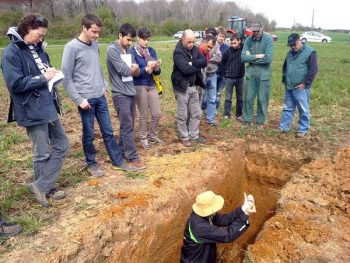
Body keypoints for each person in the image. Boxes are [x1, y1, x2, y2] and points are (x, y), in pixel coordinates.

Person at [1, 14, 69, 207]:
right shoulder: (11, 53)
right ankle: (45, 188)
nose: (41, 39)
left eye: (43, 36)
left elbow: (43, 71)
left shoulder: (38, 49)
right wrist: (43, 78)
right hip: (30, 109)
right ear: (28, 28)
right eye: (39, 35)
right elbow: (15, 84)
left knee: (62, 144)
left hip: (48, 106)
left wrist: (52, 73)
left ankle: (43, 185)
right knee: (42, 152)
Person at [62, 14, 136, 176]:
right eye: (94, 32)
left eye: (98, 32)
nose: (96, 35)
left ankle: (118, 161)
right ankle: (91, 163)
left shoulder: (95, 45)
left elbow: (97, 67)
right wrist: (79, 100)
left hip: (100, 97)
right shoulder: (71, 48)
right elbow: (66, 78)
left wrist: (103, 85)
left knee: (108, 132)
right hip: (86, 100)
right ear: (84, 28)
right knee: (89, 134)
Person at [106, 23, 146, 169]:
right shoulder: (112, 50)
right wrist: (133, 69)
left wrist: (133, 69)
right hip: (120, 93)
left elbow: (136, 70)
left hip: (130, 91)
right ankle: (132, 156)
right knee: (127, 125)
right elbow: (124, 70)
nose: (130, 43)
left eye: (131, 40)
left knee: (127, 125)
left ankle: (121, 152)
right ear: (120, 35)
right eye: (128, 39)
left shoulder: (128, 49)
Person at [180, 191, 256, 262]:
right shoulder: (199, 226)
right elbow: (229, 235)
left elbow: (224, 220)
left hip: (205, 257)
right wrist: (245, 215)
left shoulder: (203, 214)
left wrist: (243, 209)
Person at [171, 29, 207, 147]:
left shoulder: (195, 49)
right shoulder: (178, 52)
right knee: (183, 114)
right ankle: (184, 136)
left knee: (196, 112)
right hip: (182, 86)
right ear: (182, 40)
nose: (191, 44)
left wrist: (192, 63)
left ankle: (194, 135)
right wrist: (196, 65)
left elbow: (204, 61)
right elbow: (185, 69)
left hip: (194, 85)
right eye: (189, 42)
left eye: (193, 41)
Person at [278, 33, 318, 137]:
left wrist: (305, 83)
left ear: (299, 41)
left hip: (301, 87)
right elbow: (285, 67)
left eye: (294, 44)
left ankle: (302, 129)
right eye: (290, 45)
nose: (292, 47)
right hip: (289, 86)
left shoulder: (310, 52)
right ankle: (284, 128)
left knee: (303, 109)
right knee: (288, 108)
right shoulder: (290, 53)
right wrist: (284, 79)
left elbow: (313, 70)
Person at [131, 28, 164, 149]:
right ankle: (143, 138)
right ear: (138, 38)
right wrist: (145, 67)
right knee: (143, 113)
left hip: (151, 84)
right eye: (144, 39)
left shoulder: (151, 51)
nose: (146, 42)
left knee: (156, 113)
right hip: (139, 84)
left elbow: (157, 72)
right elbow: (133, 72)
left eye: (148, 40)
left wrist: (156, 67)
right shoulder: (133, 52)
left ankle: (153, 136)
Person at [241, 20, 274, 130]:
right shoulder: (248, 40)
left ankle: (260, 121)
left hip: (264, 75)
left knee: (262, 99)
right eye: (253, 31)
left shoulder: (268, 39)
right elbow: (243, 58)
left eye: (257, 30)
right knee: (248, 98)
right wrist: (258, 56)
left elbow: (268, 58)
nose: (255, 33)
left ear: (262, 28)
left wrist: (251, 58)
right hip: (251, 74)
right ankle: (247, 120)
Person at [221, 34, 245, 121]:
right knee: (228, 97)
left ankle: (239, 114)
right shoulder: (227, 51)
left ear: (239, 41)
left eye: (235, 43)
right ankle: (227, 114)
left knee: (240, 97)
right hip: (229, 78)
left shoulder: (243, 49)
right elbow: (222, 64)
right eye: (231, 43)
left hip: (240, 78)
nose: (233, 45)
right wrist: (224, 75)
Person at [198, 34, 220, 126]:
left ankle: (210, 120)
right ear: (204, 41)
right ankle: (196, 119)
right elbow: (200, 61)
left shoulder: (216, 46)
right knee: (199, 97)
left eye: (212, 47)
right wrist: (211, 58)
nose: (210, 49)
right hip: (203, 75)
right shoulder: (197, 48)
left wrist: (209, 59)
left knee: (212, 98)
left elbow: (219, 58)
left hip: (213, 75)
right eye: (208, 47)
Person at [215, 28, 229, 110]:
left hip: (223, 74)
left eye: (223, 36)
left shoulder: (227, 48)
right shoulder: (212, 45)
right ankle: (207, 109)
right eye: (220, 36)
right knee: (211, 93)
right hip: (214, 73)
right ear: (217, 36)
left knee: (218, 94)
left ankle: (215, 109)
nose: (221, 38)